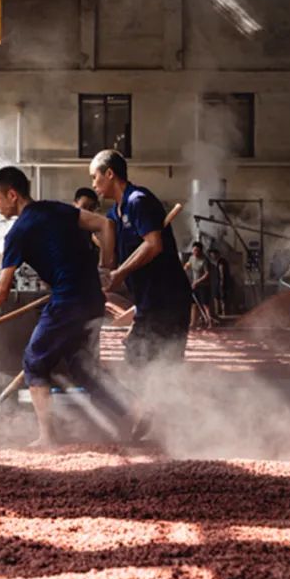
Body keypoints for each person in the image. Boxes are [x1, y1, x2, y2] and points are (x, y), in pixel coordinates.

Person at [0, 166, 132, 448]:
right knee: (82, 368)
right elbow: (106, 225)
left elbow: (2, 287)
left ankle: (47, 437)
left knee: (34, 361)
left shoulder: (18, 232)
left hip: (68, 299)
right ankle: (136, 411)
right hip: (91, 297)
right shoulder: (57, 209)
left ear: (12, 194)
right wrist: (105, 267)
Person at [90, 149, 193, 437]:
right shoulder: (115, 213)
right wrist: (103, 272)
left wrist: (119, 274)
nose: (94, 183)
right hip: (148, 299)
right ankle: (154, 411)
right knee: (138, 354)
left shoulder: (139, 201)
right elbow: (109, 260)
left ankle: (173, 423)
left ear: (110, 173)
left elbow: (153, 245)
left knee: (162, 360)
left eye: (95, 176)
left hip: (168, 296)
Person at [184, 242, 214, 329]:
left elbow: (207, 274)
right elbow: (188, 264)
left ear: (200, 251)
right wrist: (185, 267)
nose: (194, 252)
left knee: (205, 304)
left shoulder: (204, 260)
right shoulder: (192, 258)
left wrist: (197, 281)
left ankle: (209, 322)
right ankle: (193, 322)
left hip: (204, 285)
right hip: (195, 285)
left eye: (196, 250)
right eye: (193, 250)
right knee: (193, 304)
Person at [208, 248, 231, 318]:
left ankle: (224, 312)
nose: (212, 256)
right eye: (211, 255)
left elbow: (222, 273)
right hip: (215, 282)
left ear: (217, 254)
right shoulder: (213, 262)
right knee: (216, 297)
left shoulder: (221, 262)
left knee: (222, 298)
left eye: (213, 254)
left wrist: (222, 282)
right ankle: (217, 313)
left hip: (221, 282)